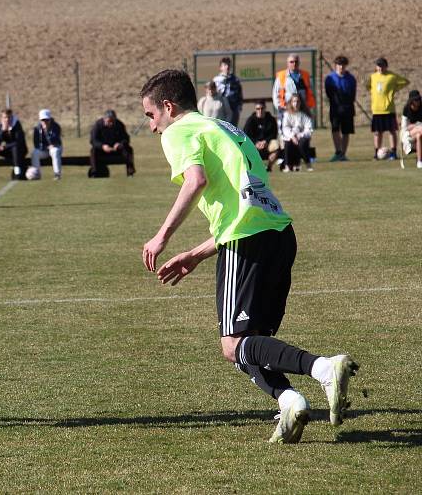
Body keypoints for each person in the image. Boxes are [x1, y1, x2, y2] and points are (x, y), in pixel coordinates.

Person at [139, 69, 358, 444]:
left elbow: (196, 181)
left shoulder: (179, 131)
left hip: (248, 239)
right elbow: (246, 201)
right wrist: (196, 253)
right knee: (254, 342)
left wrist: (162, 236)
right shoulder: (226, 128)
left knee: (234, 344)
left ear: (168, 107)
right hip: (279, 234)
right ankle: (289, 403)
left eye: (150, 116)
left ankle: (324, 368)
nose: (152, 127)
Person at [367, 57, 409, 160]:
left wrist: (394, 89)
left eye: (382, 66)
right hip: (376, 110)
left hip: (389, 109)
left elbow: (405, 82)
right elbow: (368, 86)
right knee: (377, 132)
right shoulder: (373, 77)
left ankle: (393, 153)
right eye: (378, 66)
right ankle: (376, 153)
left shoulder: (392, 76)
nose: (380, 68)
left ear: (386, 66)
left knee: (392, 131)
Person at [324, 55, 357, 162]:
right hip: (335, 109)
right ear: (335, 65)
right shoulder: (330, 78)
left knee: (346, 132)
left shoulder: (351, 79)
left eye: (343, 65)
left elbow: (353, 94)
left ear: (346, 65)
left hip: (348, 109)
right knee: (335, 129)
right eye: (339, 65)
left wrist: (347, 103)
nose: (341, 67)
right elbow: (328, 93)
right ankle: (338, 152)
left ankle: (343, 154)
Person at [272, 53, 316, 128]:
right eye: (291, 62)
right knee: (286, 132)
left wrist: (308, 106)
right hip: (286, 109)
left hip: (302, 109)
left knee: (303, 132)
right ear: (287, 63)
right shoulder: (281, 76)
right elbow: (275, 93)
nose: (294, 64)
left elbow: (311, 92)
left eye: (296, 61)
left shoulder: (305, 75)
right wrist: (279, 106)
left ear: (299, 63)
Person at [89, 110, 135, 177]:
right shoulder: (98, 125)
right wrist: (102, 146)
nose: (111, 123)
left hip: (116, 150)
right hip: (102, 151)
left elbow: (126, 138)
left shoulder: (119, 125)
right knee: (93, 150)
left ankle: (130, 172)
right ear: (104, 119)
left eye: (112, 121)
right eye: (109, 121)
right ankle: (94, 173)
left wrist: (120, 144)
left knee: (128, 149)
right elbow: (93, 140)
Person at [0, 108, 28, 181]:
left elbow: (18, 142)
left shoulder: (17, 125)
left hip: (20, 151)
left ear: (12, 117)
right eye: (5, 117)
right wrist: (3, 130)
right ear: (2, 118)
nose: (7, 119)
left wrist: (4, 147)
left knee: (15, 148)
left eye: (9, 117)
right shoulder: (0, 126)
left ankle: (17, 174)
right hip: (8, 150)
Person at [242, 100, 279, 172]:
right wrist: (256, 143)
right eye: (258, 109)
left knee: (276, 145)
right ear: (255, 109)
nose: (260, 110)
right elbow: (246, 135)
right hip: (254, 144)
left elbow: (274, 134)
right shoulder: (250, 120)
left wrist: (266, 141)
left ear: (265, 108)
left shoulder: (271, 119)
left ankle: (269, 167)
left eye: (262, 108)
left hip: (267, 143)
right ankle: (253, 168)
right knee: (244, 146)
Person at [281, 94, 315, 172]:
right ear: (291, 103)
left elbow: (309, 129)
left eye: (297, 101)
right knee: (288, 144)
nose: (295, 103)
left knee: (302, 144)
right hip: (290, 137)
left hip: (302, 137)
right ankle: (287, 166)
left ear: (300, 103)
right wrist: (292, 136)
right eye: (294, 101)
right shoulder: (287, 114)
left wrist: (299, 135)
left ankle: (308, 165)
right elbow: (285, 128)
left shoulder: (305, 115)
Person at [30, 109, 63, 180]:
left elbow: (55, 141)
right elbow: (36, 144)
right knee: (34, 153)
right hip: (44, 149)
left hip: (55, 147)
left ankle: (57, 174)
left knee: (54, 151)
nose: (44, 122)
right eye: (43, 120)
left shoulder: (56, 127)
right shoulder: (37, 128)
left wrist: (47, 131)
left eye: (46, 120)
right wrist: (46, 147)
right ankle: (36, 174)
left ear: (50, 119)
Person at [213, 57, 243, 126]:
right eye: (225, 65)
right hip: (222, 108)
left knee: (232, 129)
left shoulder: (235, 80)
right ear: (220, 67)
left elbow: (239, 94)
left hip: (233, 108)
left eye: (228, 65)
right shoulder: (216, 80)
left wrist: (239, 107)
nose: (227, 67)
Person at [400, 90, 422, 167]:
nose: (418, 101)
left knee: (419, 135)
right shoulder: (406, 109)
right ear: (411, 101)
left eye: (419, 99)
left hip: (418, 133)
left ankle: (419, 162)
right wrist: (417, 125)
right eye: (416, 100)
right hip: (408, 134)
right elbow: (405, 127)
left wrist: (414, 125)